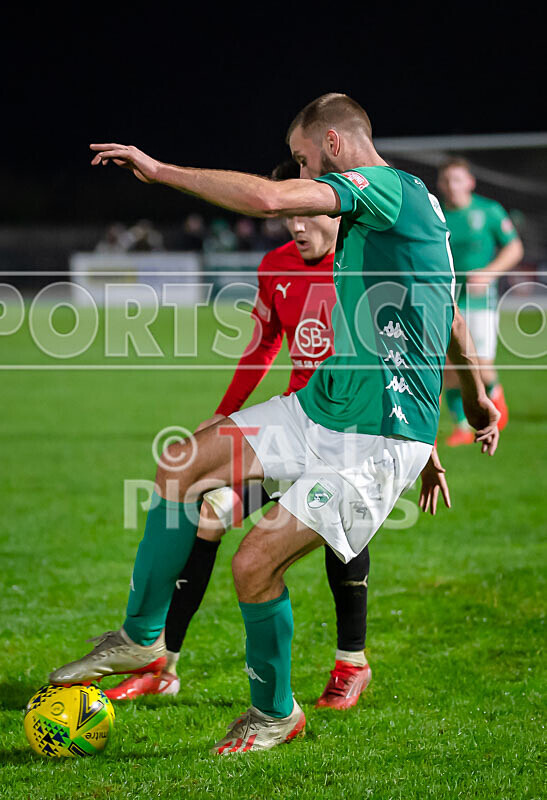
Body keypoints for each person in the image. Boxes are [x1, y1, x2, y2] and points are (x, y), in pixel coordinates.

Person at [50, 94, 499, 754]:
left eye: (303, 159)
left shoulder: (382, 189)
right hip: (322, 406)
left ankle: (274, 713)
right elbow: (448, 309)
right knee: (182, 463)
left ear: (335, 147)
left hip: (374, 440)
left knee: (254, 563)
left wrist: (162, 171)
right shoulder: (393, 212)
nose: (300, 175)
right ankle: (143, 640)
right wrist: (479, 399)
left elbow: (265, 202)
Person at [437, 158, 523, 446]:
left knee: (481, 365)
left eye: (458, 180)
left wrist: (488, 273)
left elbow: (514, 247)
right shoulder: (437, 215)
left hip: (481, 301)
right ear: (440, 184)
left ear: (471, 182)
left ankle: (498, 404)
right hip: (449, 299)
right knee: (450, 367)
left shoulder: (489, 211)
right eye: (447, 181)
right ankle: (462, 425)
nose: (452, 187)